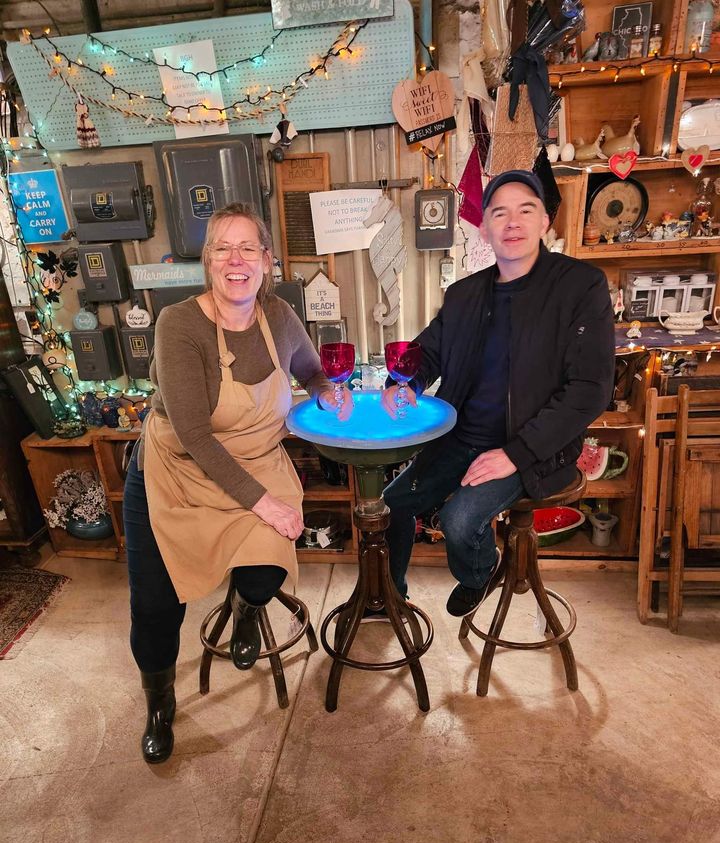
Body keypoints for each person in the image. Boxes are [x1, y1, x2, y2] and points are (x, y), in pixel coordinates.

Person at [123, 202, 351, 764]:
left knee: (264, 572)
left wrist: (327, 389)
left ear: (267, 261)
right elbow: (197, 438)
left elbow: (310, 369)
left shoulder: (279, 316)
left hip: (254, 462)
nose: (236, 259)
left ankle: (247, 608)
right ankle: (159, 706)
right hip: (175, 473)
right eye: (222, 247)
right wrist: (265, 505)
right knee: (156, 607)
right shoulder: (180, 325)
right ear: (207, 261)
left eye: (248, 247)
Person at [380, 169, 615, 619]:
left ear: (546, 220)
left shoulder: (580, 286)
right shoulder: (465, 293)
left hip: (532, 448)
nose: (512, 222)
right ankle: (391, 596)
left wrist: (516, 453)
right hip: (461, 437)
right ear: (484, 226)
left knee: (460, 520)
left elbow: (590, 390)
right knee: (392, 505)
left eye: (526, 210)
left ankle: (480, 572)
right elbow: (428, 350)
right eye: (499, 212)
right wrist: (403, 380)